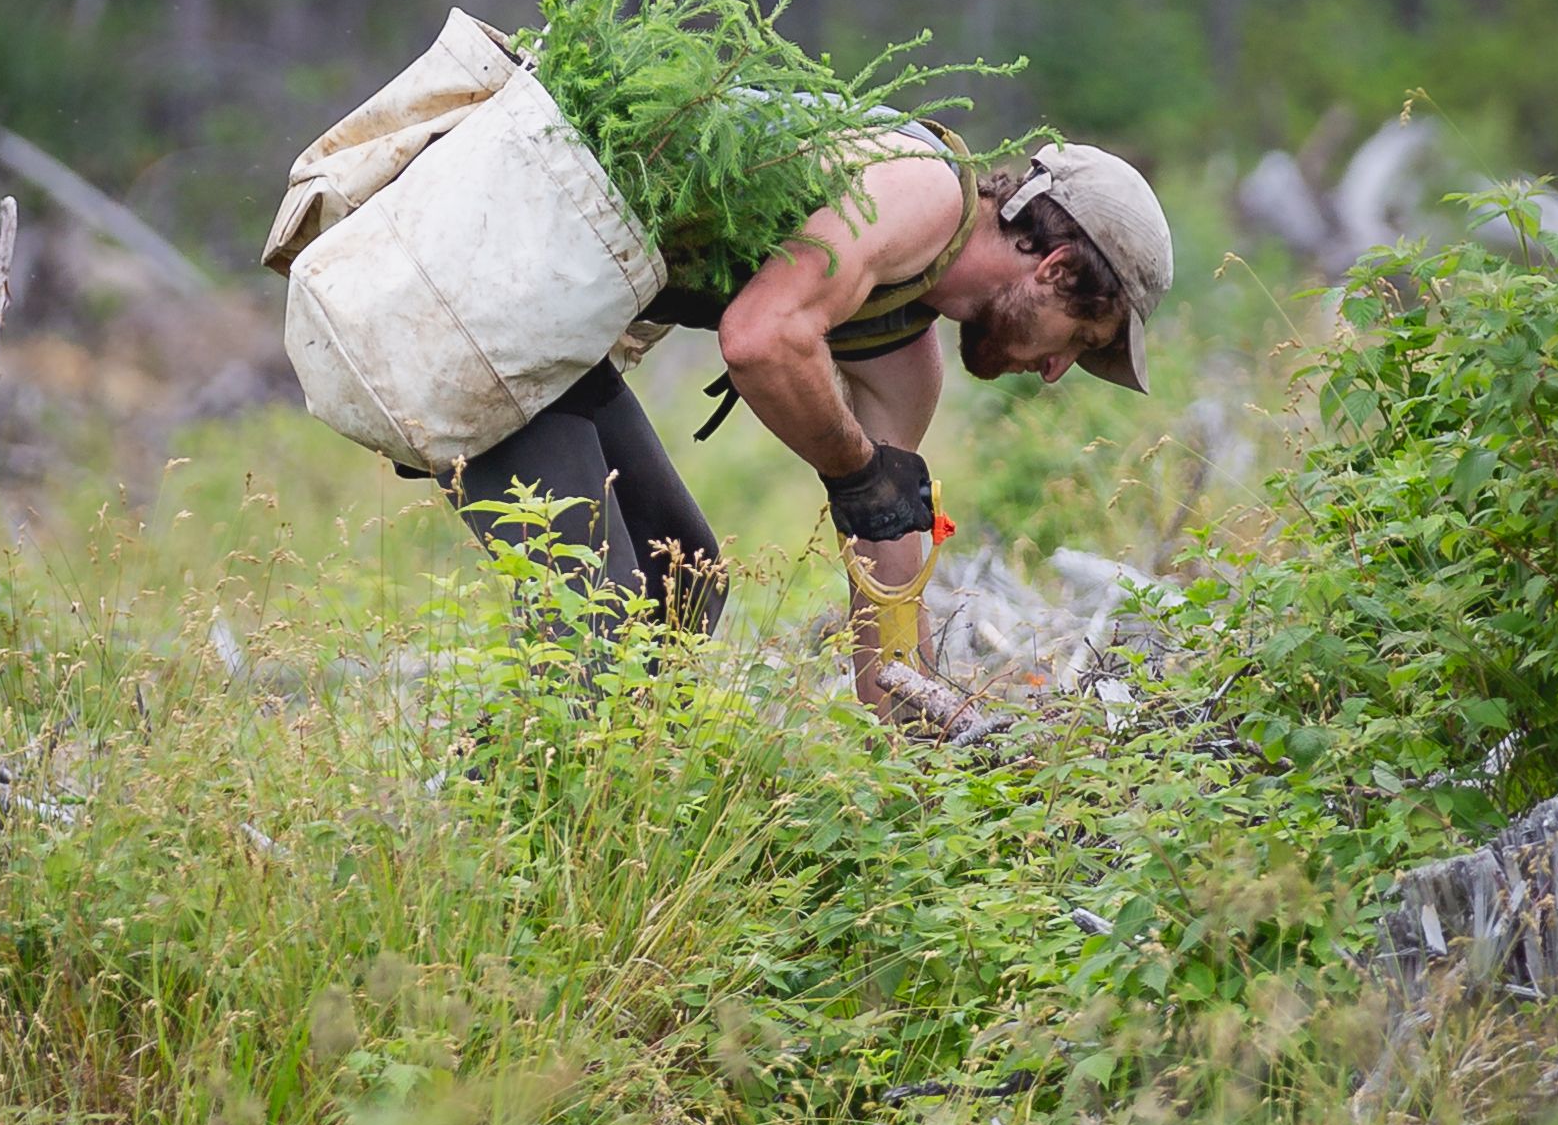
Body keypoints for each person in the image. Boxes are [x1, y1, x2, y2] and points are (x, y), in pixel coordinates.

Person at [439, 131, 1174, 706]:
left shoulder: (903, 357)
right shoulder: (920, 190)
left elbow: (889, 559)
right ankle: (501, 846)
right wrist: (857, 470)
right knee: (600, 617)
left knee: (680, 580)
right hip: (475, 286)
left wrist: (922, 757)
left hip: (547, 326)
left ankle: (598, 815)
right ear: (1053, 269)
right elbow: (760, 339)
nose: (1054, 372)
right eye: (1080, 341)